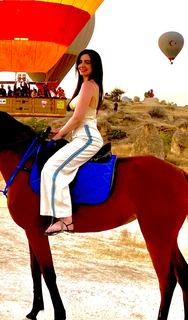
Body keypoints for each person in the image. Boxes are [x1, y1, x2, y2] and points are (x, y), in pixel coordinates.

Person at [40, 49, 104, 236]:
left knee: (52, 168)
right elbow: (79, 119)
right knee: (53, 167)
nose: (82, 65)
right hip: (81, 135)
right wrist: (60, 130)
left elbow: (78, 119)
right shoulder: (89, 85)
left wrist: (59, 137)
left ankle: (66, 220)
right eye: (80, 62)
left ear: (95, 66)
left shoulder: (88, 86)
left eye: (87, 62)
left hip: (87, 137)